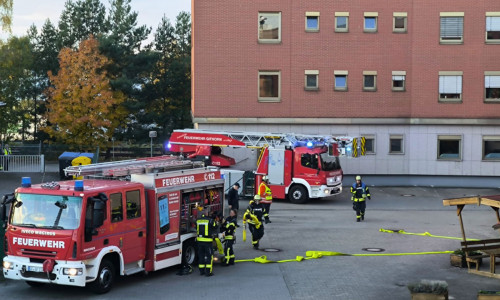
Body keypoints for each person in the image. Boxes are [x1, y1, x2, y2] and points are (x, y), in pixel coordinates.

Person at [196, 210, 218, 276]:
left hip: (199, 241)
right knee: (209, 256)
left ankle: (201, 271)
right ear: (206, 213)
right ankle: (208, 272)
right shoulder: (210, 220)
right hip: (207, 241)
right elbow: (215, 227)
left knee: (201, 256)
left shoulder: (198, 220)